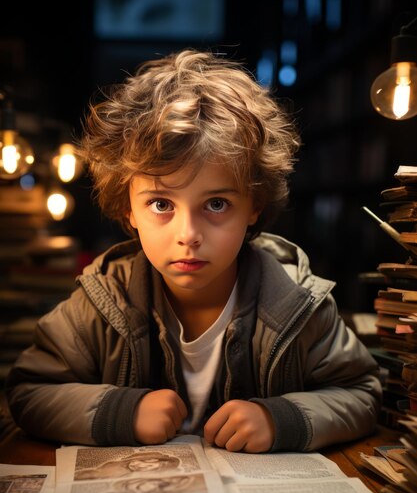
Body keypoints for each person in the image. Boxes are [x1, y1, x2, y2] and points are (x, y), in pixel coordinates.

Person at [6, 49, 381, 453]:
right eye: (161, 204)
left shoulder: (295, 300)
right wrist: (121, 412)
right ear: (127, 207)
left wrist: (282, 419)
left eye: (216, 204)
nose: (188, 235)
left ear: (254, 205)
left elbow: (361, 392)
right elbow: (30, 391)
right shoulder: (103, 300)